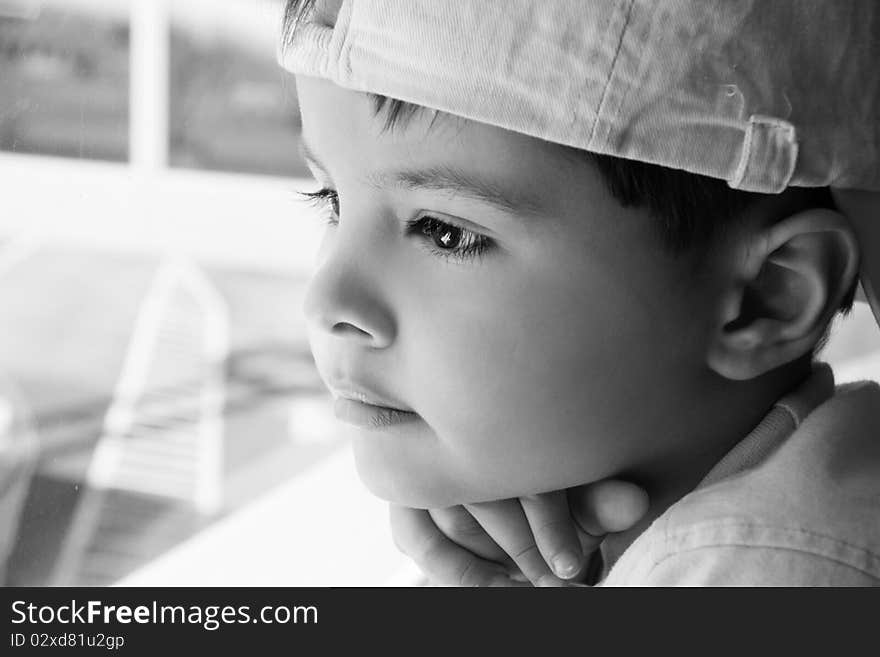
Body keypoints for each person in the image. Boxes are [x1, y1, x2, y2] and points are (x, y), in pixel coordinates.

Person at [279, 0, 880, 585]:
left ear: (766, 299)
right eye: (331, 199)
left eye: (447, 233)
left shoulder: (763, 568)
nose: (326, 302)